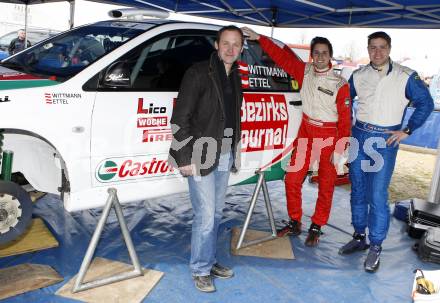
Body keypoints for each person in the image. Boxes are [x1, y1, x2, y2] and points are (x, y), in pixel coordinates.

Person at [242, 27, 351, 247]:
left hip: (330, 134)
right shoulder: (304, 71)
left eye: (324, 53)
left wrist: (340, 151)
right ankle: (295, 221)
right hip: (307, 130)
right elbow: (281, 56)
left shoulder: (340, 84)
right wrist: (261, 39)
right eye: (316, 53)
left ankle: (317, 225)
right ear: (311, 55)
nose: (320, 57)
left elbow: (346, 121)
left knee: (326, 184)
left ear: (330, 56)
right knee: (292, 178)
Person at [339, 31, 434, 272]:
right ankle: (360, 236)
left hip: (385, 139)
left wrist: (408, 130)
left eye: (382, 47)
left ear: (389, 48)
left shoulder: (405, 76)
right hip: (359, 135)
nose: (377, 52)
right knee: (357, 189)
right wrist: (346, 127)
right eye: (373, 47)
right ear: (368, 49)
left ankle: (376, 246)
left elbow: (426, 103)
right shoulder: (358, 75)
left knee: (377, 194)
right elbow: (344, 101)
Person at [168, 25, 244, 292]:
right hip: (199, 154)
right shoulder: (199, 72)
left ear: (242, 49)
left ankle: (209, 261)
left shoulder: (235, 76)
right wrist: (184, 156)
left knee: (216, 213)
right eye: (226, 43)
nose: (231, 49)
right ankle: (200, 269)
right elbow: (180, 119)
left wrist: (236, 148)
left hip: (224, 153)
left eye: (236, 44)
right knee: (206, 215)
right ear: (216, 44)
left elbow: (233, 116)